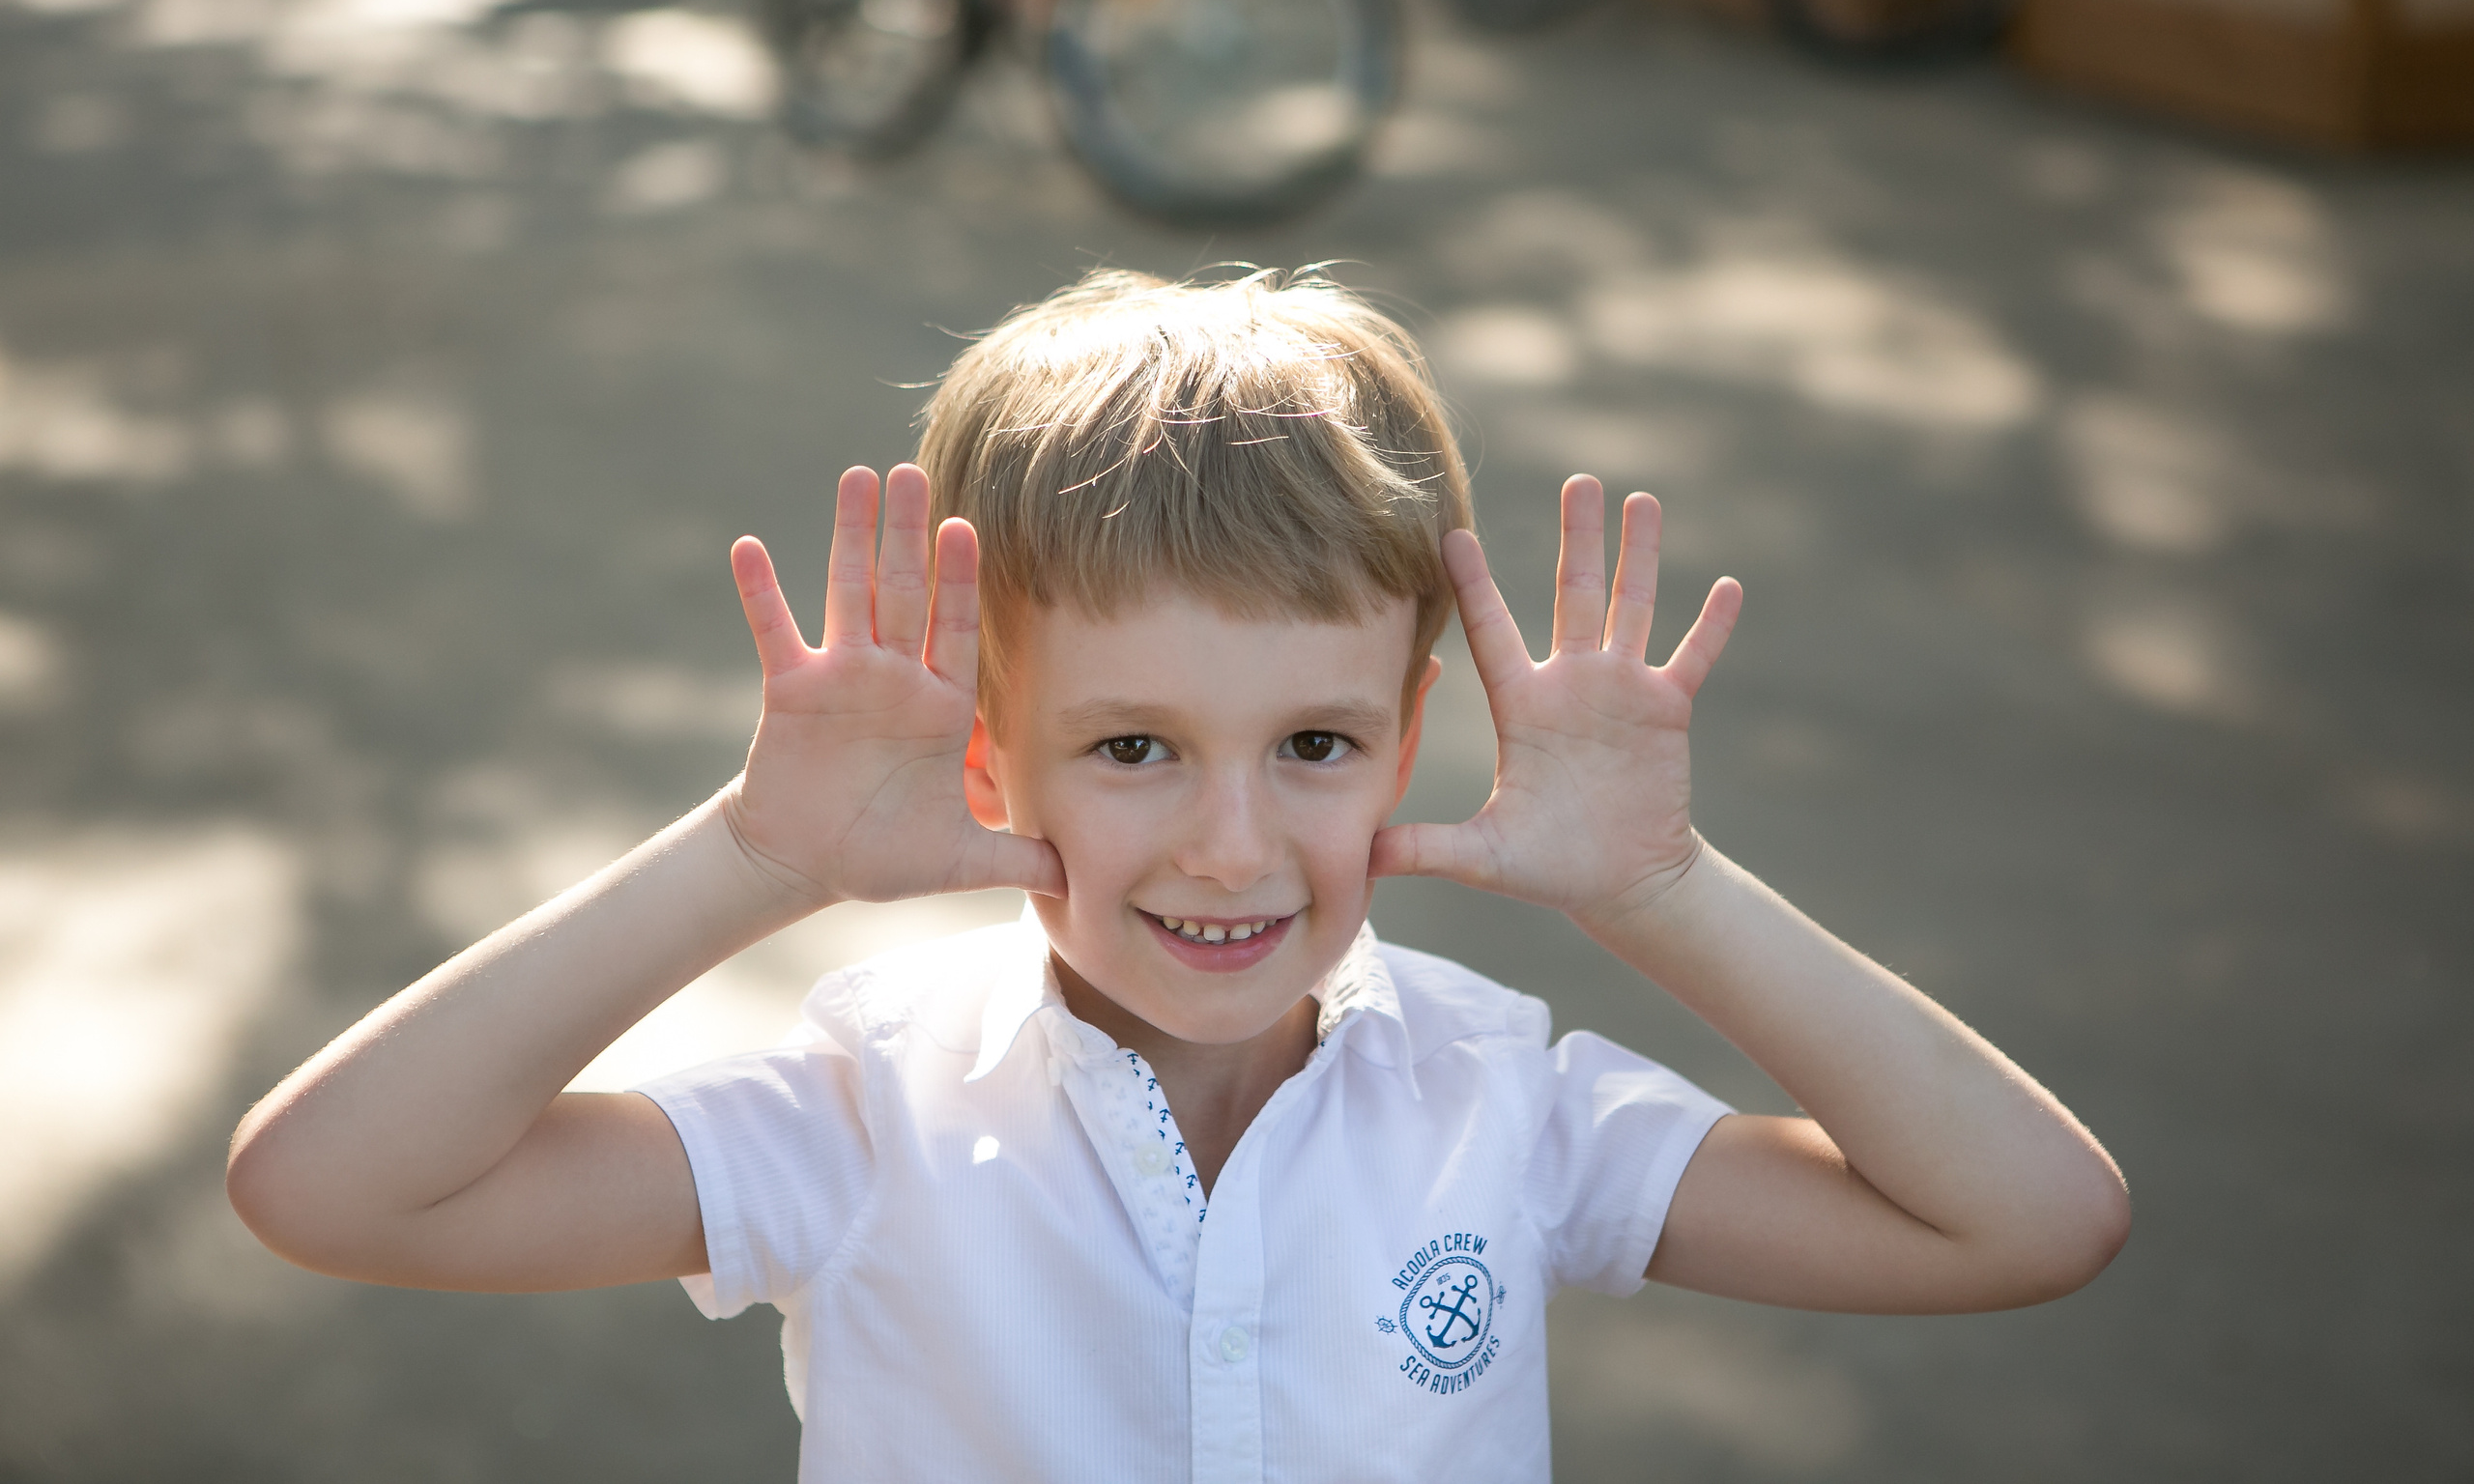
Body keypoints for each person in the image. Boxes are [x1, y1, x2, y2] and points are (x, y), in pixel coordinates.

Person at [227, 269, 2128, 1481]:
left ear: (1403, 733)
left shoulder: (1502, 1102)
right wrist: (751, 857)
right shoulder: (863, 1113)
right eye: (1130, 745)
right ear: (986, 746)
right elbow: (328, 1183)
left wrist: (1660, 886)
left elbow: (2029, 1217)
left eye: (1309, 743)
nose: (1229, 842)